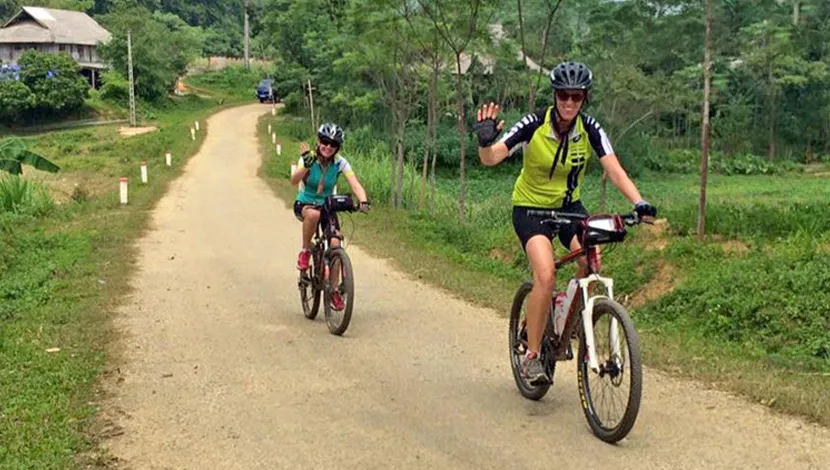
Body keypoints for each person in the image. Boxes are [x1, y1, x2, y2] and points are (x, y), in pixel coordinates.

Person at [474, 61, 657, 385]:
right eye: (563, 95)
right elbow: (492, 158)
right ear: (555, 95)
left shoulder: (590, 129)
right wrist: (485, 143)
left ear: (584, 98)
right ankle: (531, 357)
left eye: (576, 96)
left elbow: (614, 168)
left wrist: (638, 202)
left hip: (569, 208)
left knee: (590, 259)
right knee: (545, 274)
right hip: (530, 210)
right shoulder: (533, 124)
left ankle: (566, 317)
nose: (569, 102)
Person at [291, 123, 370, 311]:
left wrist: (363, 201)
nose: (328, 147)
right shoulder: (308, 157)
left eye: (333, 144)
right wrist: (305, 167)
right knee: (313, 214)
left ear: (337, 148)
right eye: (325, 142)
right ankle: (305, 251)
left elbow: (355, 183)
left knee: (335, 243)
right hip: (305, 203)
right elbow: (294, 180)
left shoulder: (340, 162)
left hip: (327, 205)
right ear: (318, 141)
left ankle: (334, 291)